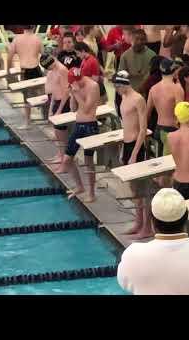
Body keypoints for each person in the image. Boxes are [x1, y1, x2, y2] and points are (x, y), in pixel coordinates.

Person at [111, 70, 151, 239]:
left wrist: (135, 153)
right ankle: (138, 222)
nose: (116, 90)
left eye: (117, 87)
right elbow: (125, 125)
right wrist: (124, 150)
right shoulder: (124, 97)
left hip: (137, 146)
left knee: (142, 189)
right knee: (134, 189)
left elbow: (143, 130)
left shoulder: (138, 99)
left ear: (123, 84)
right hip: (127, 145)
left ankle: (147, 228)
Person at [54, 68, 100, 203]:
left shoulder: (93, 86)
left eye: (77, 82)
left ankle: (92, 193)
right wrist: (73, 95)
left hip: (90, 127)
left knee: (88, 162)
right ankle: (80, 187)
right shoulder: (76, 87)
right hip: (78, 126)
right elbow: (74, 109)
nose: (76, 85)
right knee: (67, 160)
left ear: (81, 78)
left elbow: (86, 109)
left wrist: (76, 92)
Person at [6, 25, 44, 130]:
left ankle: (27, 122)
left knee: (26, 97)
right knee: (42, 94)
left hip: (24, 71)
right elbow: (45, 56)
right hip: (36, 69)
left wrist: (8, 72)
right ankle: (46, 118)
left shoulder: (17, 39)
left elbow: (9, 57)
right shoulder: (37, 39)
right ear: (34, 27)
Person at [147, 58, 183, 157]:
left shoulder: (153, 89)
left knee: (161, 164)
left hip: (158, 129)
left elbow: (147, 113)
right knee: (171, 166)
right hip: (172, 130)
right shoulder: (177, 88)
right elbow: (180, 114)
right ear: (174, 70)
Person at [42, 53, 69, 164]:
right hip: (57, 102)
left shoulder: (62, 70)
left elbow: (66, 91)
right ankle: (60, 154)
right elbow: (54, 90)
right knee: (57, 133)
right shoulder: (53, 70)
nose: (50, 69)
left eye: (50, 67)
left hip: (64, 103)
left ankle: (63, 156)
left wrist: (59, 110)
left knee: (61, 133)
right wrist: (51, 108)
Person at [118, 29, 156, 95]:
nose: (139, 42)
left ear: (145, 40)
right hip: (130, 90)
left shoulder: (152, 55)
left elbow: (154, 75)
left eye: (142, 39)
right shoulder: (125, 56)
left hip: (148, 90)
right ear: (131, 40)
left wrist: (144, 86)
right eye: (137, 39)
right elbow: (121, 76)